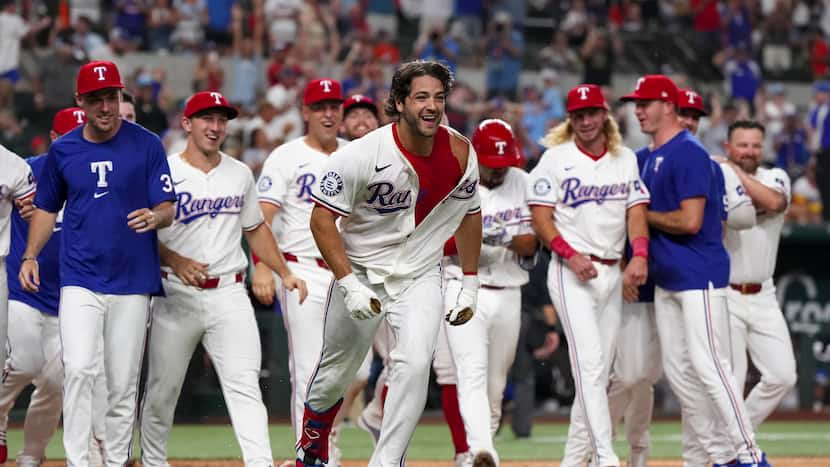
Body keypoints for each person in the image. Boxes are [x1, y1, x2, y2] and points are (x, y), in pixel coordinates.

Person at [295, 60, 482, 467]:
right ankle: (311, 450)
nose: (432, 106)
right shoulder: (362, 154)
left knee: (415, 366)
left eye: (438, 97)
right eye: (421, 97)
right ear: (399, 102)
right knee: (335, 375)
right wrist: (348, 282)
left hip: (419, 273)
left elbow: (470, 213)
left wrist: (469, 282)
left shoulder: (460, 151)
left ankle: (388, 461)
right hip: (360, 270)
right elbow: (321, 219)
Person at [18, 60, 177, 467]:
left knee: (122, 384)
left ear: (121, 97)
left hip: (132, 280)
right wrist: (31, 255)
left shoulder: (147, 143)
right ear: (81, 102)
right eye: (96, 99)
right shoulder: (63, 148)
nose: (106, 107)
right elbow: (45, 208)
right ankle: (77, 461)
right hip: (81, 279)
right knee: (79, 370)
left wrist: (156, 217)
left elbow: (167, 206)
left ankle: (115, 460)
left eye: (112, 97)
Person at [139, 91, 307, 467]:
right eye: (206, 119)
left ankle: (260, 463)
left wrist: (284, 271)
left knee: (245, 386)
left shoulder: (240, 172)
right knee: (163, 390)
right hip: (175, 292)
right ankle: (152, 462)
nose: (215, 127)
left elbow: (256, 229)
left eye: (221, 120)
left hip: (229, 292)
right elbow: (143, 231)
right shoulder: (164, 170)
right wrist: (175, 259)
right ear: (187, 123)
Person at [620, 74, 769, 467]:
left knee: (711, 365)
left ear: (668, 106)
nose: (638, 109)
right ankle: (721, 456)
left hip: (698, 274)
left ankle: (750, 455)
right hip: (668, 278)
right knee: (680, 373)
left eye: (645, 102)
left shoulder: (689, 151)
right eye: (635, 102)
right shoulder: (644, 156)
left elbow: (690, 220)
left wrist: (642, 214)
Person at [527, 84, 650, 467]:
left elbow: (635, 213)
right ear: (570, 118)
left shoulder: (624, 158)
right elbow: (541, 219)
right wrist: (569, 253)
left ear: (604, 115)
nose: (585, 120)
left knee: (596, 373)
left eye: (591, 113)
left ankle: (571, 461)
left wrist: (640, 256)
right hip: (570, 272)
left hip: (612, 273)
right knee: (592, 366)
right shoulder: (554, 159)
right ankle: (604, 455)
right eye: (578, 114)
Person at [255, 78, 349, 464]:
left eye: (334, 106)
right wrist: (262, 265)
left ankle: (327, 450)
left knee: (349, 373)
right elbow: (261, 217)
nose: (328, 113)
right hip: (302, 270)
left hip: (348, 275)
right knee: (309, 369)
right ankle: (309, 457)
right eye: (320, 106)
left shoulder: (355, 154)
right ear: (305, 113)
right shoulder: (285, 156)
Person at [432, 118, 537, 466]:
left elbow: (530, 242)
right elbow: (438, 242)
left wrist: (499, 236)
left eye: (504, 163)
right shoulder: (455, 178)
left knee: (495, 385)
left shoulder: (522, 181)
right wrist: (477, 238)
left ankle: (483, 449)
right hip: (461, 285)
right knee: (470, 372)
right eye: (493, 164)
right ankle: (479, 451)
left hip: (508, 290)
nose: (498, 170)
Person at [0, 108, 86, 467]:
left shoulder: (95, 178)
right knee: (22, 362)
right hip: (23, 290)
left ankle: (32, 455)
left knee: (56, 380)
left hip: (68, 296)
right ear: (54, 138)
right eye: (69, 137)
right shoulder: (30, 169)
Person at [722, 120, 797, 429]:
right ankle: (740, 450)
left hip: (764, 294)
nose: (750, 151)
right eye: (742, 145)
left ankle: (734, 440)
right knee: (732, 378)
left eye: (755, 145)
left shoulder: (775, 176)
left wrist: (733, 172)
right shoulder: (715, 178)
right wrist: (727, 174)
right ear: (729, 146)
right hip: (725, 293)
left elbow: (774, 202)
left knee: (783, 375)